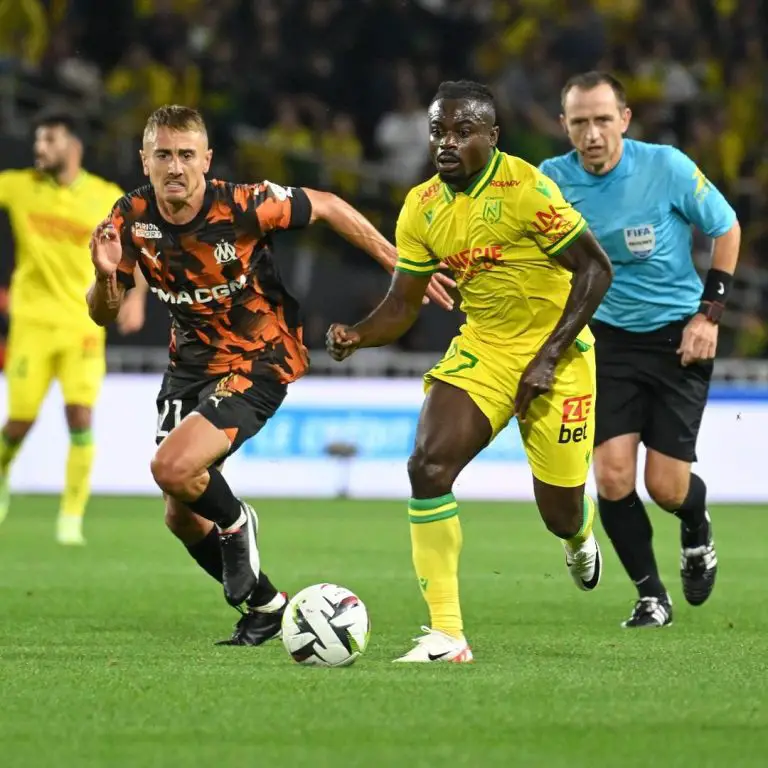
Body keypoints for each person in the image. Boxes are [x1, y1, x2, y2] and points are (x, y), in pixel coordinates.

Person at [86, 104, 455, 646]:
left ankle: (238, 523)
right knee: (180, 514)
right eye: (163, 155)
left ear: (206, 160)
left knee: (172, 467)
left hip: (259, 358)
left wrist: (396, 261)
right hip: (189, 368)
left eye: (186, 154)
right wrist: (104, 277)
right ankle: (266, 606)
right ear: (145, 160)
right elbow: (104, 314)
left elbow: (327, 205)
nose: (175, 167)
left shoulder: (242, 204)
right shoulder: (129, 218)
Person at [326, 80, 614, 663]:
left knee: (558, 512)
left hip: (557, 352)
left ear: (492, 136)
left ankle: (580, 533)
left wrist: (548, 356)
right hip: (485, 348)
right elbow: (403, 303)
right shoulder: (422, 205)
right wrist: (358, 333)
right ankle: (447, 635)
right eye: (438, 132)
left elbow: (595, 270)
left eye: (462, 132)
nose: (446, 143)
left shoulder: (526, 189)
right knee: (427, 466)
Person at [539, 72, 741, 628]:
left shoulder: (665, 167)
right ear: (564, 126)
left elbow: (726, 229)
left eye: (603, 120)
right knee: (611, 477)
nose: (592, 134)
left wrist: (709, 314)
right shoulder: (549, 181)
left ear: (625, 119)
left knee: (667, 488)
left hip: (678, 336)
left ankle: (696, 527)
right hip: (603, 340)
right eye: (580, 122)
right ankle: (651, 596)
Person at [0, 111, 148, 545]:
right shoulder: (20, 186)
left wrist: (136, 297)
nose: (39, 148)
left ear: (73, 146)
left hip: (83, 323)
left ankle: (70, 517)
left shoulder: (105, 197)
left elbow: (139, 247)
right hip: (31, 324)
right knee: (19, 422)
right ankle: (3, 471)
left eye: (49, 140)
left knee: (80, 415)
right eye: (38, 140)